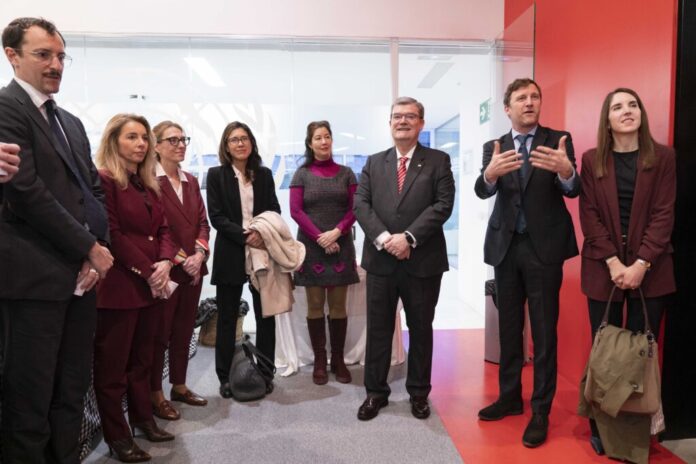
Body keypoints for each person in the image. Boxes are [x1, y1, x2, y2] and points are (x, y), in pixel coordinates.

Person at [0, 17, 113, 463]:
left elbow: (93, 191)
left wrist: (98, 248)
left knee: (72, 390)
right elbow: (27, 192)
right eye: (43, 54)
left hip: (82, 280)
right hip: (34, 280)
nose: (55, 65)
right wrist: (89, 247)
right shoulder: (7, 108)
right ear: (12, 56)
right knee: (29, 399)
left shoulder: (71, 122)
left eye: (61, 56)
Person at [474, 77, 580, 448]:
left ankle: (540, 410)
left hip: (544, 249)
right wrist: (490, 174)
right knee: (509, 327)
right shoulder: (494, 146)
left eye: (535, 96)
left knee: (544, 331)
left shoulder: (558, 140)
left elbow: (573, 189)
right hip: (506, 247)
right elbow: (482, 190)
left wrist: (566, 171)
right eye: (521, 98)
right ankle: (509, 397)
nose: (529, 102)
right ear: (508, 108)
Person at [579, 88, 675, 457]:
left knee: (639, 353)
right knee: (603, 349)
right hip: (603, 268)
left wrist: (640, 264)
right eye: (617, 107)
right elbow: (590, 215)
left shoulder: (663, 157)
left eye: (633, 104)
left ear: (641, 113)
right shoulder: (592, 160)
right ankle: (601, 427)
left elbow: (664, 214)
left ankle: (633, 433)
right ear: (607, 119)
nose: (627, 111)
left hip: (652, 269)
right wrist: (614, 262)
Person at [353, 96, 455, 421]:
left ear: (421, 123)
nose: (403, 121)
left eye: (410, 116)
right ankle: (375, 393)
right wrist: (387, 240)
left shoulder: (438, 161)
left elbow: (443, 204)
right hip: (381, 261)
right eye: (397, 116)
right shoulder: (373, 163)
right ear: (390, 123)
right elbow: (361, 205)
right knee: (379, 329)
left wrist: (409, 237)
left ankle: (419, 394)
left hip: (422, 262)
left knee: (421, 329)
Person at [94, 114, 178, 462]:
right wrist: (149, 271)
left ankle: (143, 420)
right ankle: (118, 437)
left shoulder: (148, 184)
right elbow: (112, 234)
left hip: (150, 287)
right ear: (114, 141)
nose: (141, 143)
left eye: (144, 137)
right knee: (112, 372)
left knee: (143, 362)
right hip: (119, 288)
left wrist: (166, 262)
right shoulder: (104, 180)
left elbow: (164, 230)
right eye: (132, 136)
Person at [206, 121, 280, 398]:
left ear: (251, 142)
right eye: (234, 139)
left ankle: (265, 373)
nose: (240, 143)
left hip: (262, 251)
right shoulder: (216, 175)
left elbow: (274, 209)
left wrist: (262, 233)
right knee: (227, 317)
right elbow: (216, 217)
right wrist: (245, 236)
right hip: (231, 251)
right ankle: (225, 377)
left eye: (244, 138)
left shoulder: (264, 174)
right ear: (226, 146)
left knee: (265, 317)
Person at [290, 120, 360, 385]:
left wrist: (337, 232)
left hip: (341, 245)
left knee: (339, 305)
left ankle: (338, 359)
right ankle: (320, 360)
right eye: (318, 137)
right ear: (310, 143)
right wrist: (321, 237)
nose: (323, 141)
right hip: (312, 247)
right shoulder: (301, 174)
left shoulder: (347, 174)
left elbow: (355, 209)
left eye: (327, 136)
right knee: (315, 305)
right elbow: (296, 211)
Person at [149, 121, 210, 421]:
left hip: (193, 270)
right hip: (167, 270)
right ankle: (155, 394)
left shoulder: (191, 181)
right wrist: (182, 258)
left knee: (185, 330)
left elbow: (203, 223)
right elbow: (156, 228)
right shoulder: (150, 181)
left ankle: (179, 385)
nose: (180, 145)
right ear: (156, 145)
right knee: (160, 334)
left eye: (183, 139)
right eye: (172, 140)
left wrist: (199, 255)